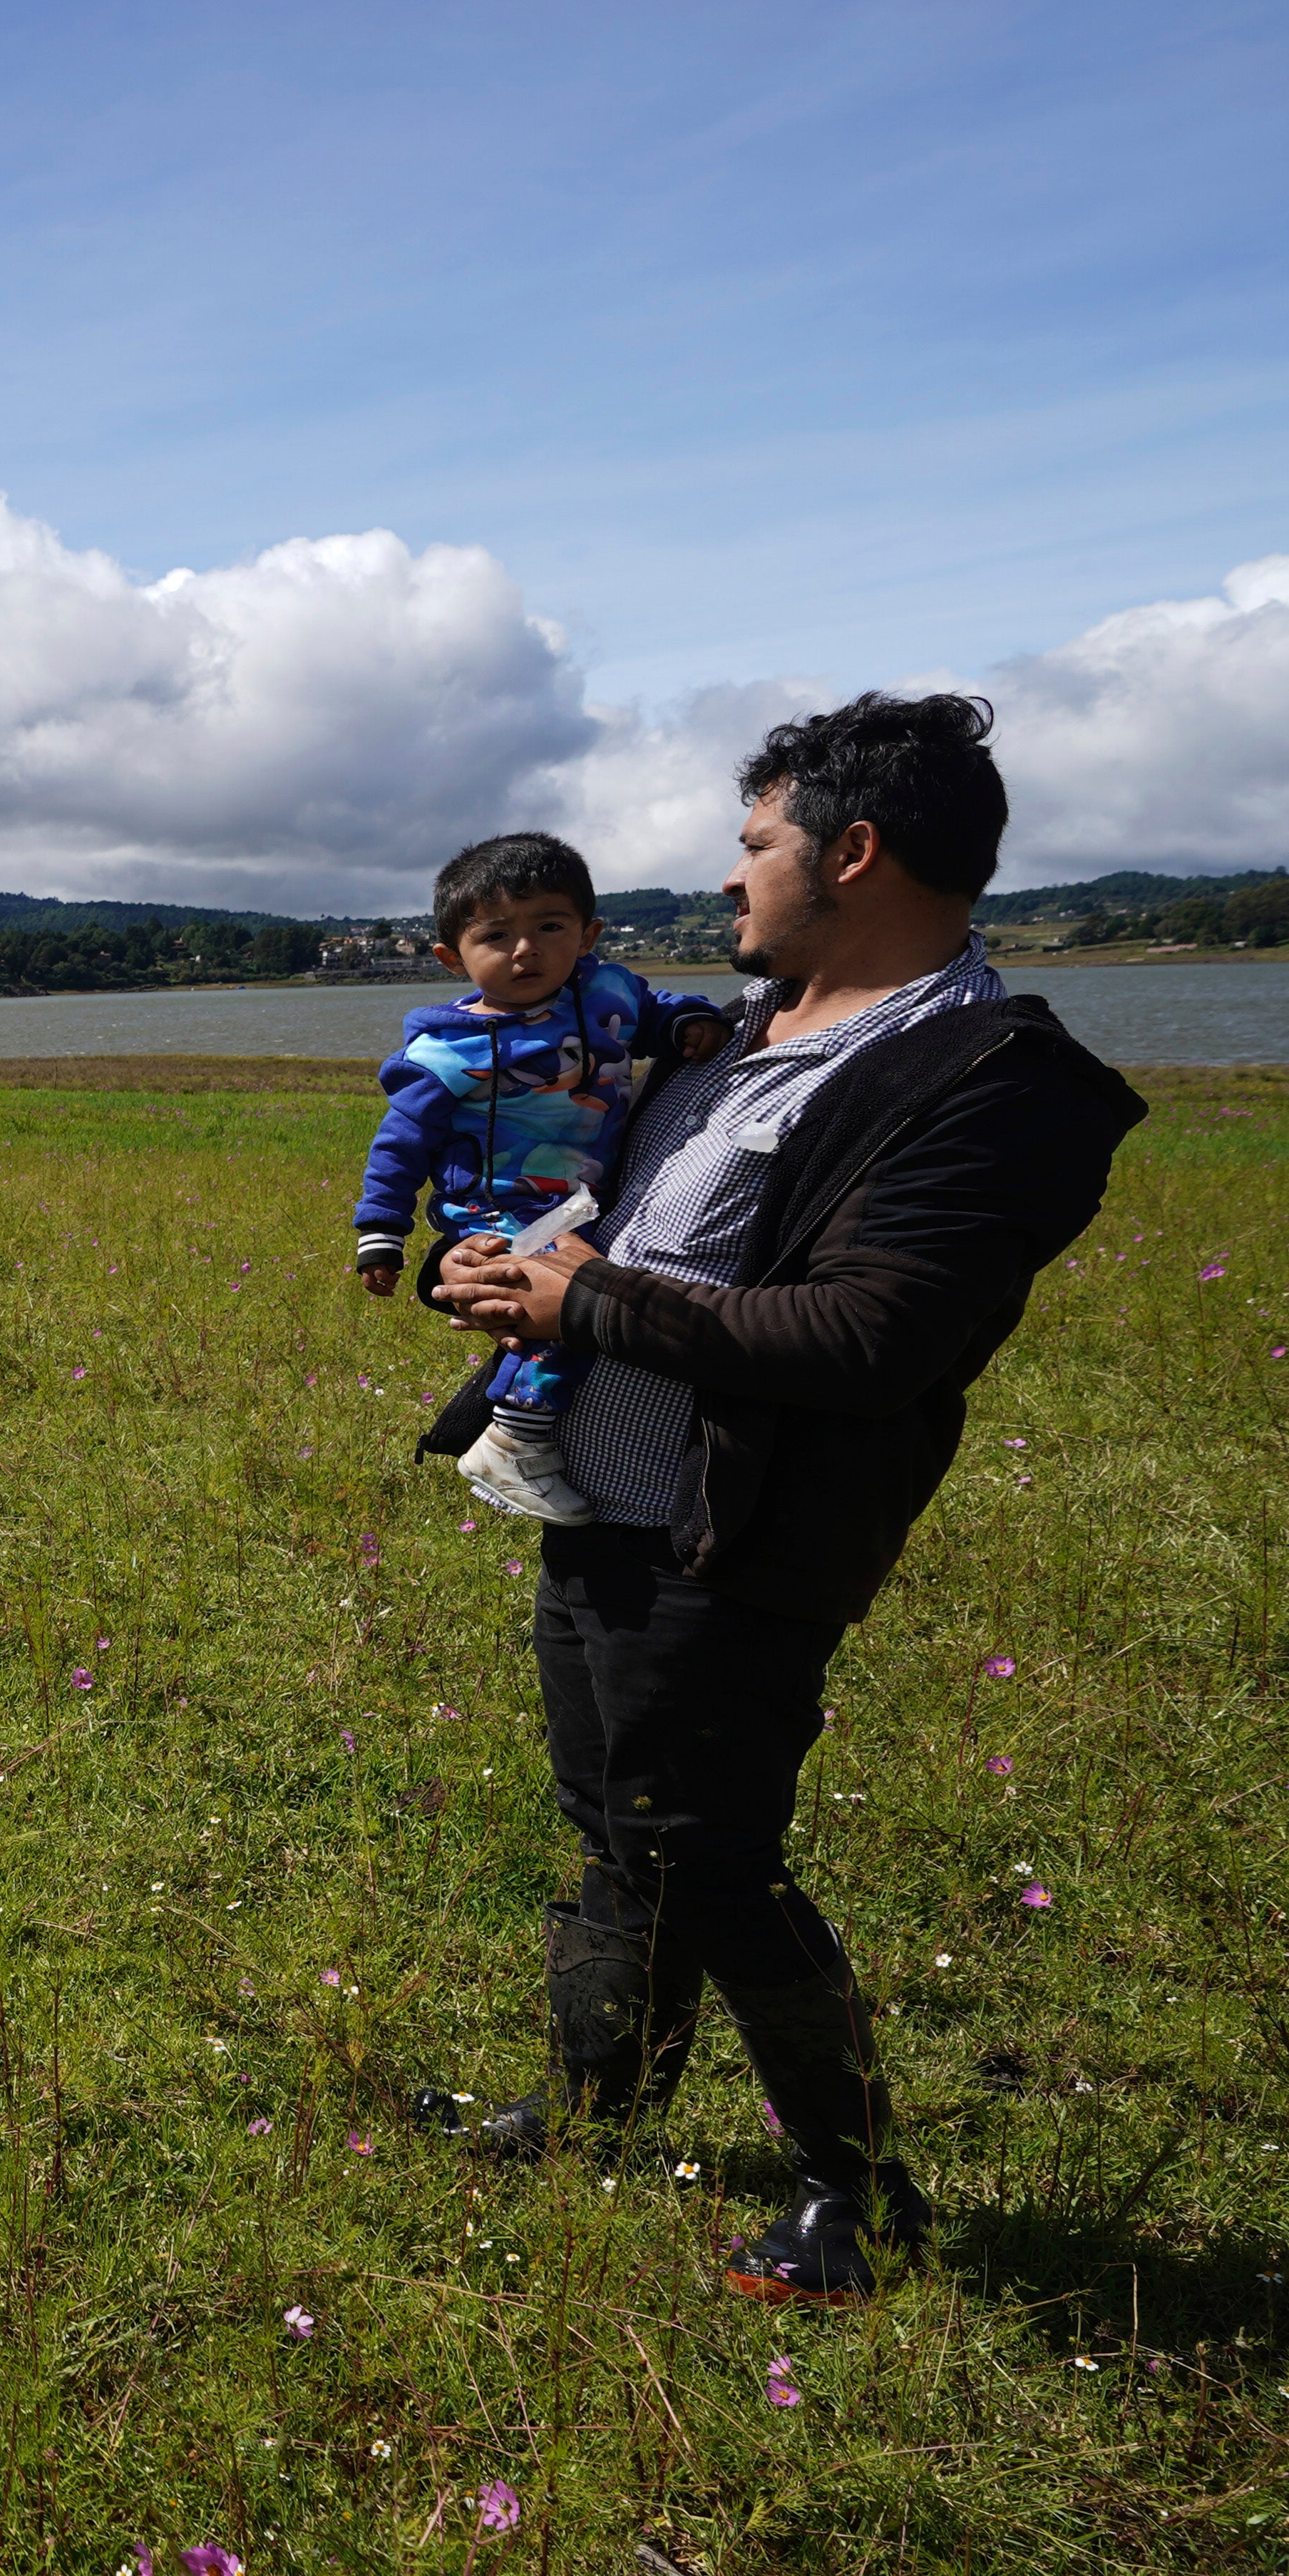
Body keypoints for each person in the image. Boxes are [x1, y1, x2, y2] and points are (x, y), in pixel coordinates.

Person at [422, 693, 1142, 2307]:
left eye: (755, 844)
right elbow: (624, 1219)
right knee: (616, 1832)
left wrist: (582, 1305)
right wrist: (504, 1266)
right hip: (596, 1504)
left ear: (855, 850)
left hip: (739, 1539)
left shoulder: (992, 1080)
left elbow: (870, 1339)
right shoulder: (736, 1031)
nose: (732, 878)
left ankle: (858, 2195)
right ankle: (597, 2103)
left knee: (710, 1852)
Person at [351, 833, 726, 1525]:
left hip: (586, 1202)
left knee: (582, 1300)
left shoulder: (607, 990)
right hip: (499, 1206)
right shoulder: (443, 1051)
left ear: (587, 935)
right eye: (496, 935)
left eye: (548, 927)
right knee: (568, 1307)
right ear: (450, 957)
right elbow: (399, 1145)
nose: (525, 950)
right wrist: (382, 1232)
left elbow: (654, 1008)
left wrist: (689, 1021)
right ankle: (514, 1439)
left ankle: (513, 1423)